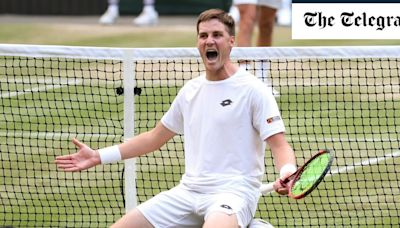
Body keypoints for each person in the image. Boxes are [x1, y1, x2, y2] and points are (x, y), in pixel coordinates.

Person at [55, 8, 296, 228]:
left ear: (231, 41)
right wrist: (98, 156)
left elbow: (279, 144)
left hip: (233, 194)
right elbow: (153, 138)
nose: (209, 40)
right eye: (203, 36)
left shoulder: (254, 89)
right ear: (198, 42)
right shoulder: (190, 91)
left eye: (217, 35)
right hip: (187, 193)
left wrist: (287, 170)